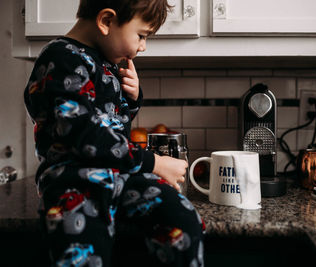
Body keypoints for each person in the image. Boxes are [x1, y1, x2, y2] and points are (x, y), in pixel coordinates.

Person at [23, 0, 205, 266]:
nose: (143, 46)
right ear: (106, 21)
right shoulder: (61, 58)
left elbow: (111, 124)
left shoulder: (105, 60)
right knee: (85, 258)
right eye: (141, 36)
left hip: (121, 177)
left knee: (183, 220)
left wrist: (131, 98)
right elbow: (85, 134)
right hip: (74, 184)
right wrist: (154, 163)